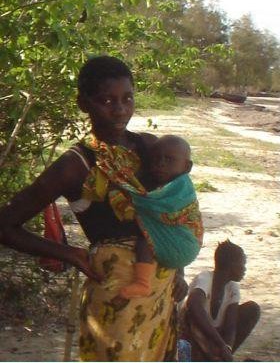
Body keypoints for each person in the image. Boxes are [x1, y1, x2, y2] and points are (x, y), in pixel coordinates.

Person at [0, 55, 189, 361]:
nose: (120, 110)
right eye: (107, 100)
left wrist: (179, 269)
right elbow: (5, 225)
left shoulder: (152, 149)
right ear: (83, 104)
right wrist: (70, 254)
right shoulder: (74, 165)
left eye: (127, 98)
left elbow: (175, 212)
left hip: (161, 292)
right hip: (114, 298)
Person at [117, 135, 204, 299]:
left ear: (187, 167)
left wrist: (126, 192)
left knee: (145, 239)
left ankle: (142, 282)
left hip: (183, 243)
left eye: (169, 160)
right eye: (155, 159)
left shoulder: (180, 188)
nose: (160, 164)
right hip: (181, 249)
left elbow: (158, 208)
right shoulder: (162, 182)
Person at [179, 240, 261, 362]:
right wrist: (220, 344)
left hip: (213, 337)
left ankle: (219, 357)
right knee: (193, 318)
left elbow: (231, 325)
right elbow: (193, 305)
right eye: (242, 265)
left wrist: (226, 347)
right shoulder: (205, 278)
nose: (244, 269)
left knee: (252, 309)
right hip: (193, 335)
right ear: (231, 266)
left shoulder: (232, 287)